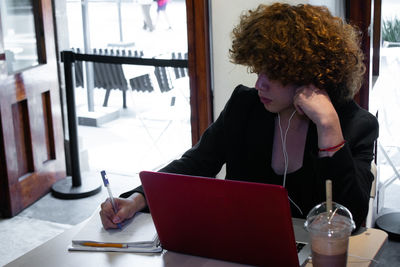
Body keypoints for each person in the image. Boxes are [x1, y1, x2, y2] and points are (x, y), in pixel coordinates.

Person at [100, 3, 378, 230]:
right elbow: (196, 163)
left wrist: (328, 128)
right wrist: (137, 198)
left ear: (310, 73)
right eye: (258, 70)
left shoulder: (354, 125)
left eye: (274, 74)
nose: (259, 84)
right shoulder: (245, 105)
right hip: (240, 243)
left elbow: (350, 217)